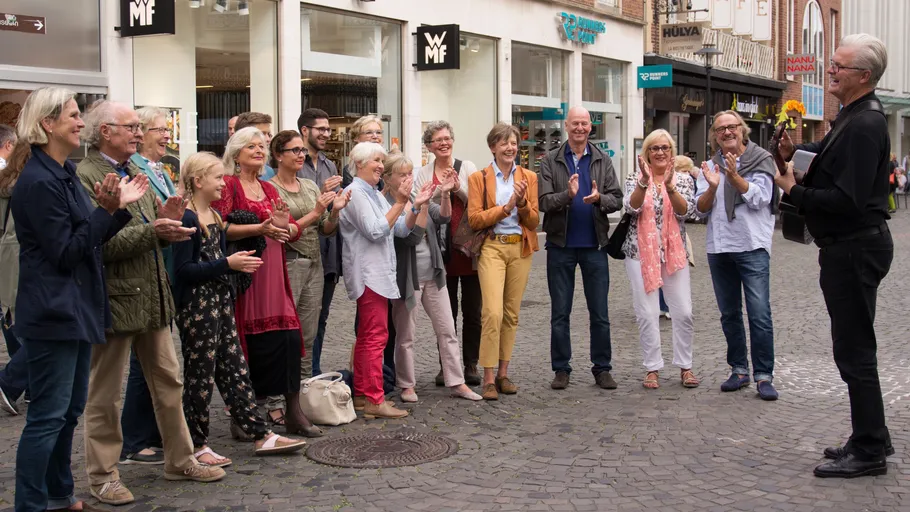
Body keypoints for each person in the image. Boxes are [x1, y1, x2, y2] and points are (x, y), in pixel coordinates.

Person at [77, 101, 225, 506]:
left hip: (152, 293)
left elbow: (146, 231)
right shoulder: (89, 175)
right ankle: (103, 475)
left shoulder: (137, 172)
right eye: (132, 127)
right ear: (105, 131)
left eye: (140, 127)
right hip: (116, 297)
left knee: (168, 381)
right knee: (105, 393)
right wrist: (156, 232)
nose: (139, 134)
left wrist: (167, 221)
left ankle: (180, 459)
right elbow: (99, 242)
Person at [10, 87, 146, 512]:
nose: (79, 122)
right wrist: (107, 212)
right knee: (48, 417)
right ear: (47, 124)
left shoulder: (61, 171)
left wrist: (114, 208)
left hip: (75, 308)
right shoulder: (37, 180)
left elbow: (87, 240)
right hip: (53, 311)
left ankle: (58, 495)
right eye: (71, 115)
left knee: (68, 413)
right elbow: (67, 252)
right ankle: (32, 504)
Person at [775, 33, 894, 478]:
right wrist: (793, 154)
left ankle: (868, 451)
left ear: (863, 76)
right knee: (856, 345)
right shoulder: (852, 115)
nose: (830, 70)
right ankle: (874, 434)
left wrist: (794, 190)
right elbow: (827, 161)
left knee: (854, 350)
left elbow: (847, 199)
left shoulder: (865, 124)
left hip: (854, 248)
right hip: (850, 247)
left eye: (838, 66)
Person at [173, 152, 307, 464]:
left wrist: (233, 267)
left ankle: (260, 434)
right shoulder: (188, 218)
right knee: (200, 377)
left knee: (236, 370)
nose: (224, 183)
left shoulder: (215, 218)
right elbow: (183, 272)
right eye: (217, 178)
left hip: (221, 302)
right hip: (197, 308)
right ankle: (197, 444)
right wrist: (228, 264)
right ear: (197, 182)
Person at [212, 126, 323, 438]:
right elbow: (221, 228)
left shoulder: (270, 189)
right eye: (252, 146)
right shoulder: (229, 185)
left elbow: (288, 231)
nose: (259, 151)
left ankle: (293, 412)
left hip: (276, 274)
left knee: (288, 341)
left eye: (261, 146)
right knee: (249, 347)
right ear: (236, 153)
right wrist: (260, 229)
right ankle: (242, 414)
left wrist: (286, 225)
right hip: (247, 275)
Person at [384, 152, 483, 403]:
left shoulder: (418, 197)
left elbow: (445, 217)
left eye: (410, 173)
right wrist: (420, 205)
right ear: (388, 179)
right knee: (406, 335)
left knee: (447, 330)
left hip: (434, 273)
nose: (408, 178)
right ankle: (406, 384)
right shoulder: (386, 202)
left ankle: (456, 382)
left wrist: (447, 193)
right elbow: (411, 237)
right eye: (402, 174)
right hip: (407, 277)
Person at [538, 106, 623, 391]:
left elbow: (617, 199)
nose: (580, 128)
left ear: (590, 127)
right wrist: (568, 195)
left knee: (599, 312)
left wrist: (600, 199)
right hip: (561, 245)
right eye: (575, 123)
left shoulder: (602, 160)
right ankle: (561, 369)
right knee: (560, 313)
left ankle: (602, 368)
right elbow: (544, 202)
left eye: (584, 124)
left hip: (594, 246)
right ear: (566, 126)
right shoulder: (550, 160)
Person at [696, 110, 779, 401]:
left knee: (759, 314)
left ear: (742, 130)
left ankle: (764, 376)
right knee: (729, 314)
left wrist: (735, 178)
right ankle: (739, 370)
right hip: (719, 248)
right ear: (714, 136)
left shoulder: (760, 161)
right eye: (720, 130)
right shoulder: (709, 166)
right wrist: (714, 186)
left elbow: (761, 198)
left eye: (732, 127)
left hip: (752, 246)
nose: (727, 133)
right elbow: (700, 208)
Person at [118, 105, 181, 466]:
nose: (166, 136)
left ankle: (153, 431)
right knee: (143, 364)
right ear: (141, 132)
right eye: (160, 129)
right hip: (144, 275)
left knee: (159, 364)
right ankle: (134, 439)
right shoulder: (136, 171)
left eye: (167, 130)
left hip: (163, 271)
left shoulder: (161, 168)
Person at [339, 141, 417, 419]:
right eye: (376, 160)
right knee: (375, 337)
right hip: (369, 273)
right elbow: (374, 231)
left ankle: (362, 395)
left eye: (382, 161)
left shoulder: (372, 192)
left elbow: (398, 229)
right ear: (359, 163)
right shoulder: (355, 193)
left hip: (377, 273)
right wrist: (399, 202)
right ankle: (374, 399)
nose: (382, 166)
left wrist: (414, 206)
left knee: (369, 337)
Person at [467, 123, 540, 401]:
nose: (510, 148)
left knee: (511, 314)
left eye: (514, 143)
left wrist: (521, 205)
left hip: (520, 250)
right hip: (492, 248)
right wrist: (506, 208)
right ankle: (487, 376)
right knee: (492, 313)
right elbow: (475, 219)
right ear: (493, 147)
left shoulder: (529, 177)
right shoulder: (479, 178)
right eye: (504, 143)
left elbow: (534, 221)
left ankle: (503, 374)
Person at [269, 130, 349, 377]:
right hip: (288, 264)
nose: (301, 154)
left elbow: (326, 229)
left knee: (308, 333)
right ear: (278, 156)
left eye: (302, 150)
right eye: (295, 150)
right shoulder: (270, 189)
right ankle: (279, 394)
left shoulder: (310, 185)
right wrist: (315, 213)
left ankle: (303, 389)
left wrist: (334, 211)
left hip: (315, 264)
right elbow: (283, 231)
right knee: (284, 332)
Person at [623, 129, 698, 390]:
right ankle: (652, 367)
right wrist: (644, 183)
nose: (660, 152)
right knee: (648, 312)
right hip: (639, 253)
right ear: (646, 153)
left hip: (673, 252)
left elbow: (687, 211)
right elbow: (631, 208)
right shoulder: (634, 177)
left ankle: (685, 366)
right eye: (654, 148)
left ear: (672, 152)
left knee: (684, 311)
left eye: (665, 147)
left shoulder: (684, 179)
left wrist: (669, 188)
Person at [413, 120, 482, 387]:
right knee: (446, 312)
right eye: (437, 140)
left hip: (468, 247)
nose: (443, 143)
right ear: (429, 146)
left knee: (473, 310)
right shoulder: (423, 172)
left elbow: (476, 203)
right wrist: (437, 194)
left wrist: (456, 189)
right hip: (439, 250)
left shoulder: (468, 167)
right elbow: (419, 202)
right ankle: (447, 366)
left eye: (447, 138)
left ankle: (471, 363)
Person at [298, 108, 345, 377]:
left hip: (327, 250)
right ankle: (299, 374)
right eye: (321, 130)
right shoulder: (294, 163)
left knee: (321, 317)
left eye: (328, 129)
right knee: (301, 318)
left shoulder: (330, 165)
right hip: (300, 249)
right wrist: (324, 193)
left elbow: (331, 212)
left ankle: (314, 372)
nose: (327, 134)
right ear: (305, 131)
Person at [0, 122, 28, 416]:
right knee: (32, 330)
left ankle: (25, 386)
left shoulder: (8, 184)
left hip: (10, 259)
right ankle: (10, 382)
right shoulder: (22, 187)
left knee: (12, 320)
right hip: (16, 258)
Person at [235, 112, 276, 180]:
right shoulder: (223, 175)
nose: (268, 139)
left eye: (269, 134)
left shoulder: (268, 172)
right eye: (262, 134)